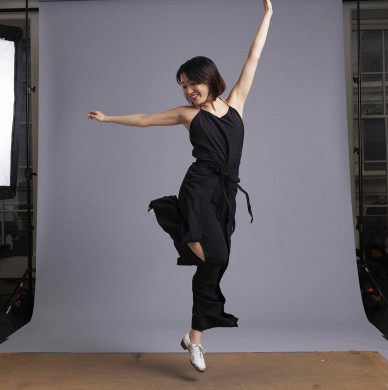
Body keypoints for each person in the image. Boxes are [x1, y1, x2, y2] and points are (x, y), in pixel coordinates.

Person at [87, 0, 272, 373]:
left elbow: (253, 58)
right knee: (210, 258)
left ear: (211, 78)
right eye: (184, 86)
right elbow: (144, 119)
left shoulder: (236, 103)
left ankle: (192, 338)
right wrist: (108, 118)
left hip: (226, 194)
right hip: (198, 188)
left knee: (216, 262)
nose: (189, 91)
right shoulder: (187, 115)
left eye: (194, 83)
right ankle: (196, 332)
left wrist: (267, 15)